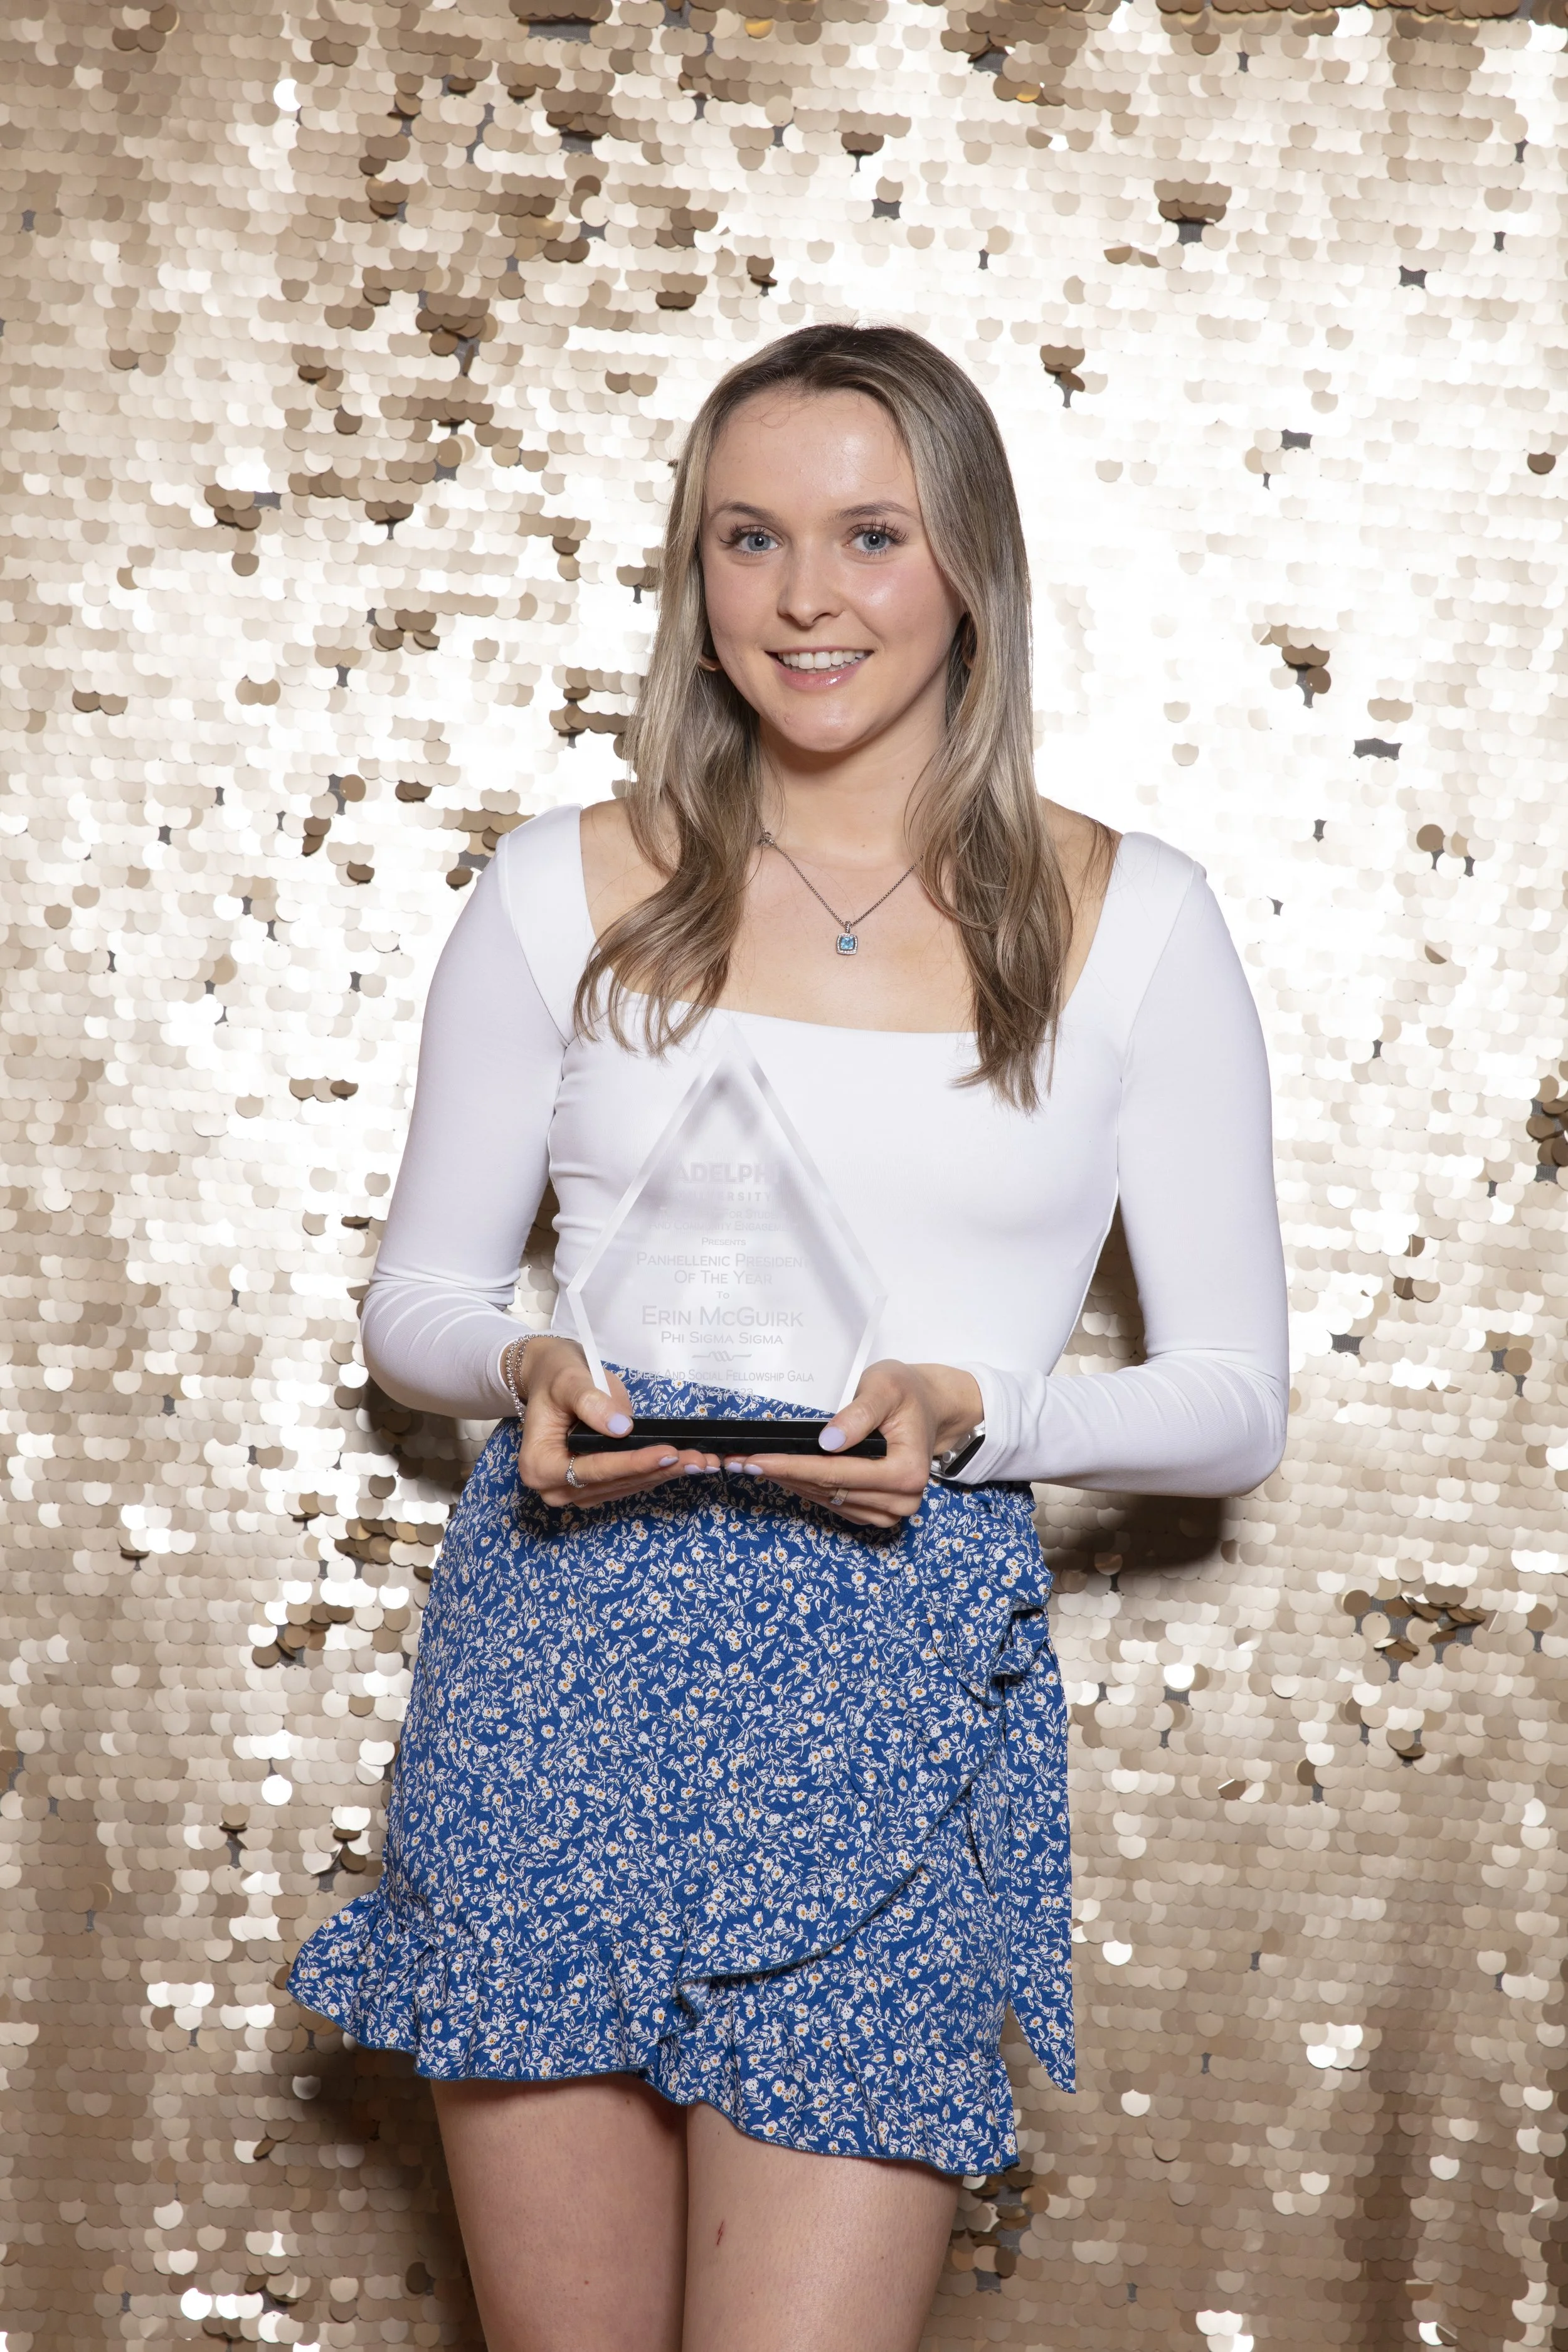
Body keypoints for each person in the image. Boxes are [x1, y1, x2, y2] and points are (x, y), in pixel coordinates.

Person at [290, 323, 1288, 2352]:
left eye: (866, 535)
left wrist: (972, 1409)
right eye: (748, 538)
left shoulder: (1138, 923)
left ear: (970, 570)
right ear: (697, 572)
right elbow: (420, 1302)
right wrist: (521, 1369)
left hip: (884, 1693)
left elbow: (1232, 1402)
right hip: (565, 1669)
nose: (805, 598)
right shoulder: (557, 888)